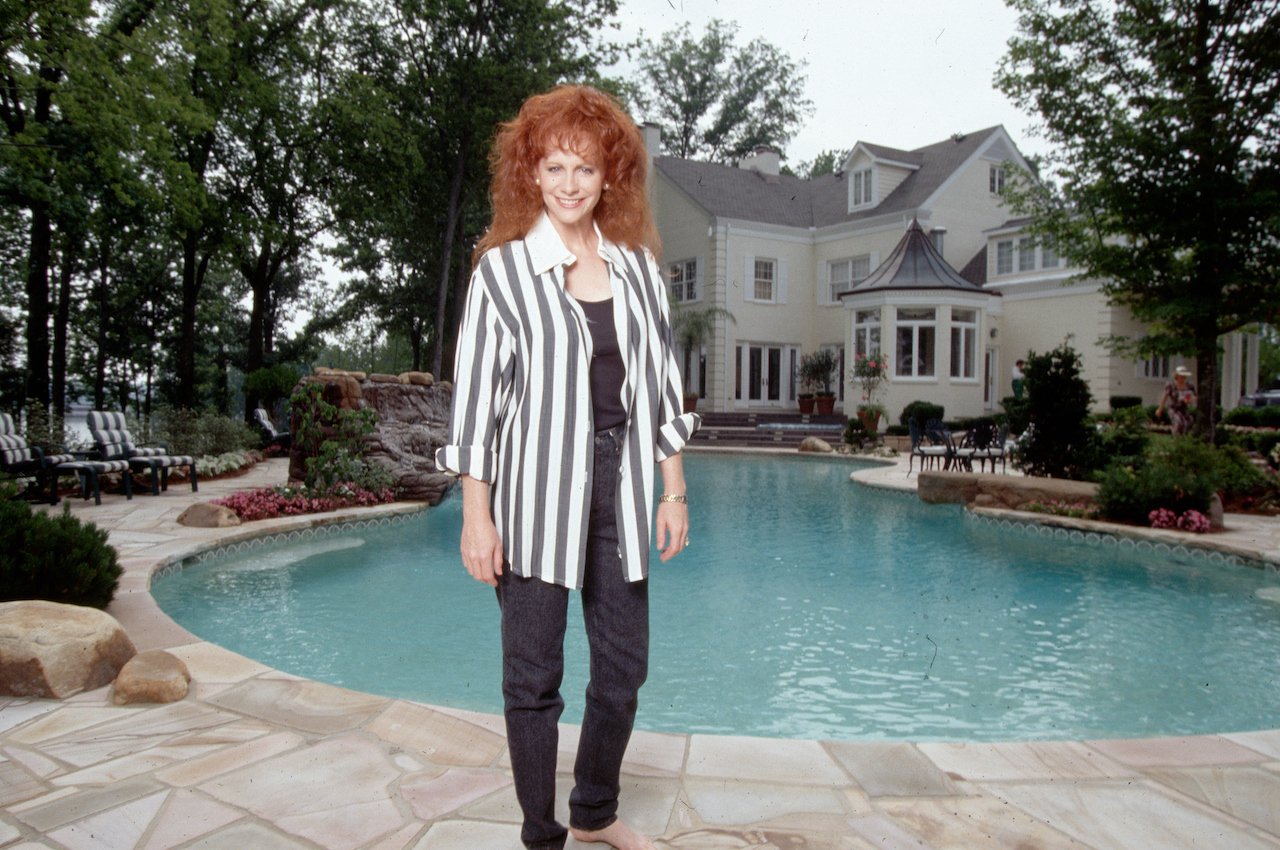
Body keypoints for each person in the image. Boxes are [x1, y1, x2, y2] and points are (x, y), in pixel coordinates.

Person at [435, 85, 700, 850]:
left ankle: (595, 810)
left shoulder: (642, 273)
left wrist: (672, 487)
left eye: (584, 167)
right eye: (553, 166)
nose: (569, 183)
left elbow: (660, 386)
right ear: (531, 173)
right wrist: (476, 517)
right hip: (531, 493)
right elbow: (477, 405)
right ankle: (541, 833)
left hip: (620, 484)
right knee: (533, 679)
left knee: (623, 670)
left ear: (611, 174)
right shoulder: (503, 273)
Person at [1157, 365, 1197, 435]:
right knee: (1178, 422)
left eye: (1184, 376)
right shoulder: (1171, 385)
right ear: (1177, 376)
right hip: (1173, 409)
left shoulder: (1189, 386)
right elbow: (1165, 397)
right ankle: (1176, 439)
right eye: (1181, 376)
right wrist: (1160, 409)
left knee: (1189, 421)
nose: (1183, 378)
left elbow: (1194, 396)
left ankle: (1184, 439)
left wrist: (1189, 400)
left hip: (1184, 409)